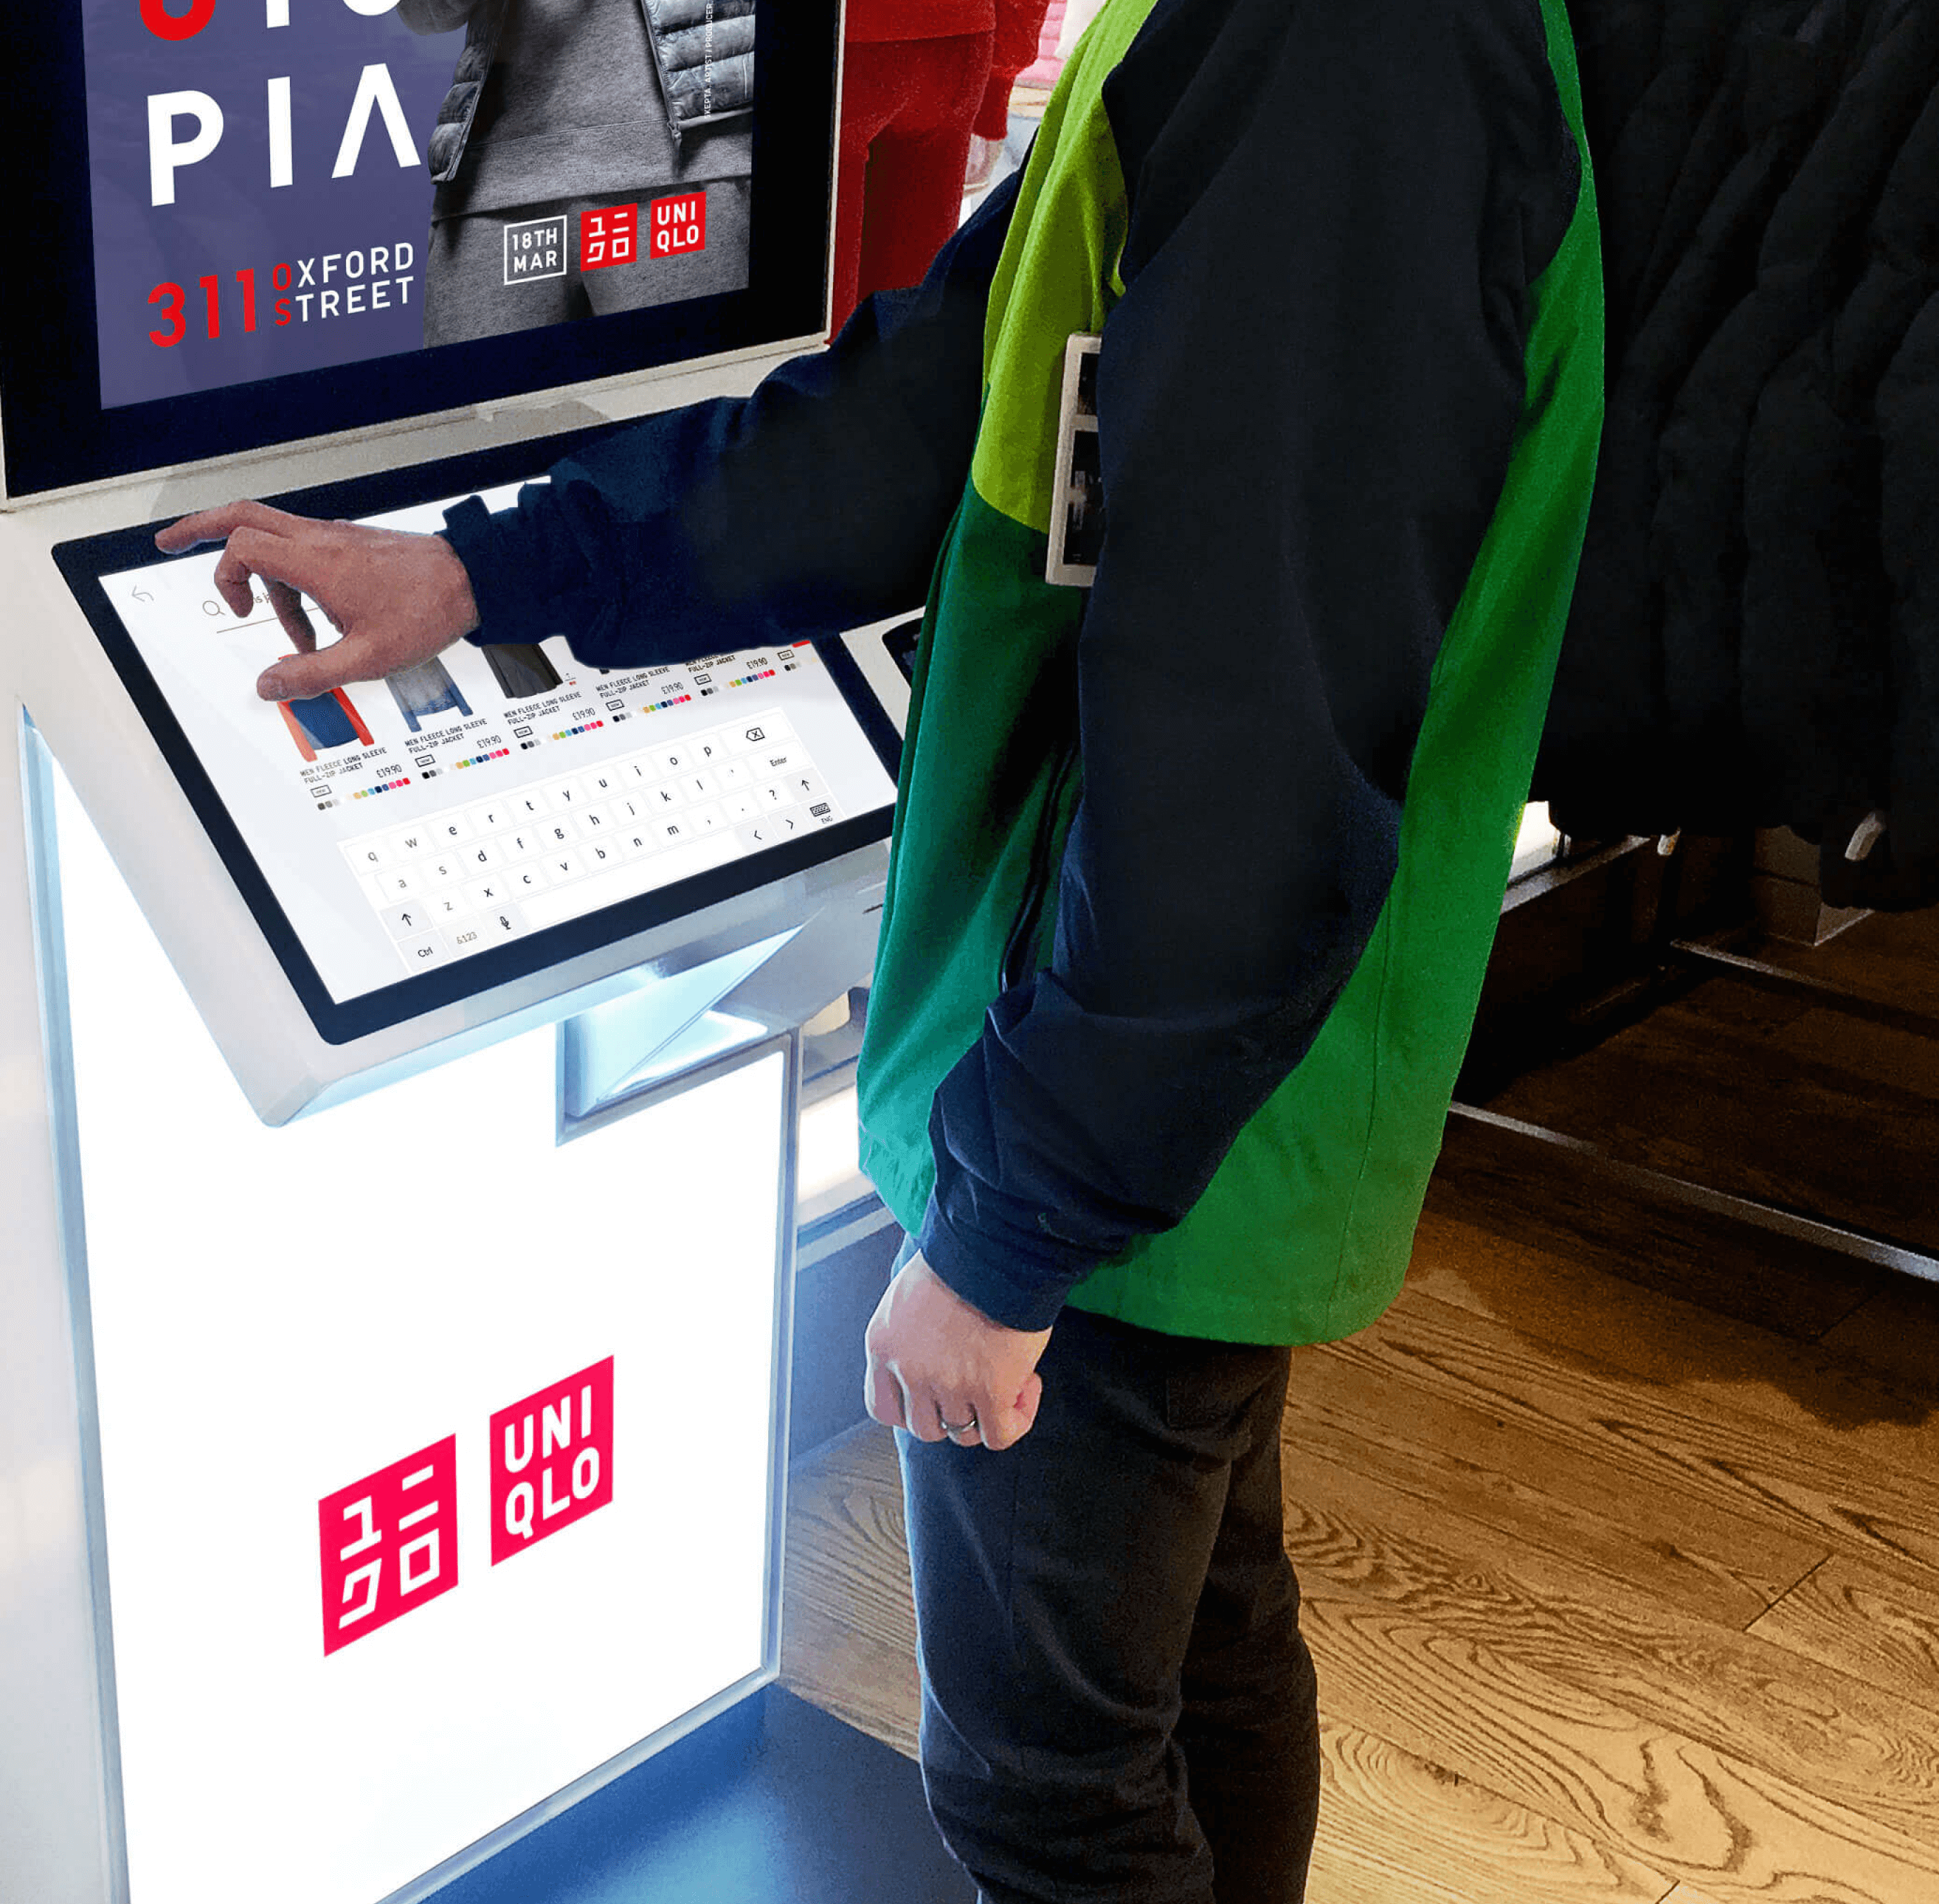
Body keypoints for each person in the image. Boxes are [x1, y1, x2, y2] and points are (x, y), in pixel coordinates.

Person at [163, 0, 1603, 1893]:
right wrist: (491, 571)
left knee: (1054, 1779)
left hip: (1135, 1092)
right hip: (1197, 1087)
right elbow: (932, 404)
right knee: (1194, 1648)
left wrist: (1011, 1234)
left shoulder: (1334, 53)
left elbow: (1252, 721)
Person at [401, 0, 755, 345]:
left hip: (680, 167)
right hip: (494, 184)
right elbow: (422, 12)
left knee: (689, 399)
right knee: (467, 400)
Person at [830, 0, 1048, 335]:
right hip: (955, 47)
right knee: (903, 329)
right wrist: (996, 87)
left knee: (810, 335)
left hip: (839, 40)